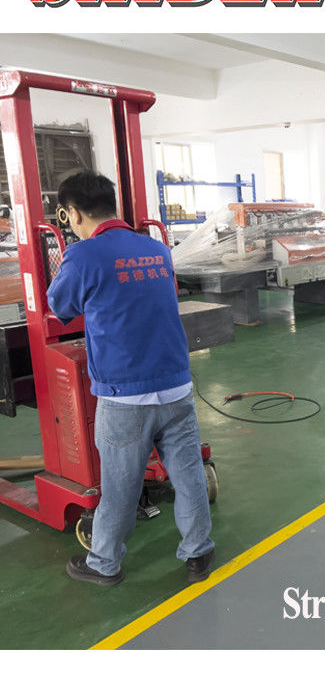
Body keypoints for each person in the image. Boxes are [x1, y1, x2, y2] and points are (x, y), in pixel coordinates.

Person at [46, 171, 215, 587]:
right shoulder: (156, 248)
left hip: (125, 396)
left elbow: (59, 307)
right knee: (188, 473)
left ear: (72, 214)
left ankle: (104, 563)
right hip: (176, 386)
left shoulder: (83, 255)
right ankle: (198, 552)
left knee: (120, 485)